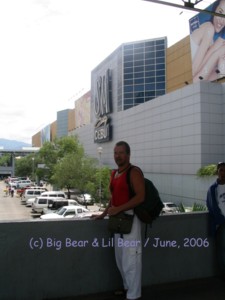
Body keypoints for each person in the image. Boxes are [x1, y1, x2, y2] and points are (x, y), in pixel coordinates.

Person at [95, 141, 145, 300]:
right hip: (117, 222)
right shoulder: (114, 173)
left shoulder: (134, 172)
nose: (118, 156)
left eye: (121, 153)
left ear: (128, 155)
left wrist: (119, 208)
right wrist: (103, 214)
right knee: (120, 259)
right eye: (116, 153)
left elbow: (140, 197)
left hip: (131, 221)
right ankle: (126, 289)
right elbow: (113, 198)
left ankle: (134, 295)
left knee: (131, 260)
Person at [190, 0, 225, 80]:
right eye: (220, 12)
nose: (221, 20)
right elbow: (194, 74)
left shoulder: (216, 39)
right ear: (214, 9)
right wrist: (216, 54)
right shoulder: (209, 29)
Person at [206, 162, 225, 280]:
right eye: (221, 170)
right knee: (222, 250)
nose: (223, 173)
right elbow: (212, 207)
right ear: (217, 172)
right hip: (221, 224)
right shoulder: (213, 189)